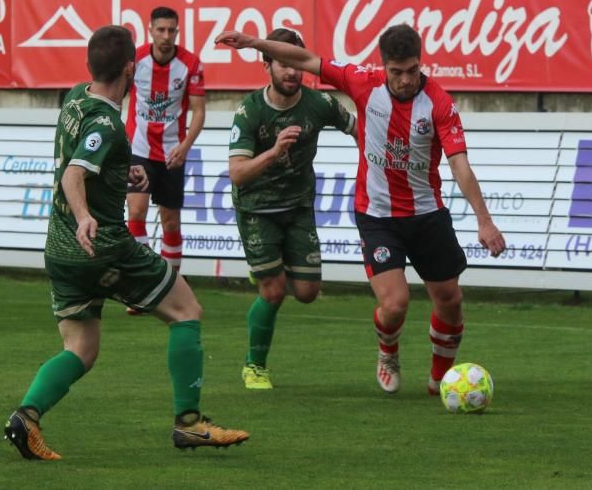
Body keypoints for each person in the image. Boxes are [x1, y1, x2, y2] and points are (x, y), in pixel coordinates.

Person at [215, 24, 507, 396]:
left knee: (451, 300)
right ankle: (388, 353)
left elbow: (459, 164)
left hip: (427, 214)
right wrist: (254, 42)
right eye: (396, 72)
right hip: (377, 215)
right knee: (395, 303)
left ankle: (441, 381)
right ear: (383, 66)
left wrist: (484, 221)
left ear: (421, 64)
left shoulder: (439, 104)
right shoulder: (362, 82)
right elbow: (305, 59)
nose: (404, 80)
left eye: (412, 71)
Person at [3, 25, 248, 461]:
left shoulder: (77, 96)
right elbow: (73, 173)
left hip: (58, 251)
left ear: (90, 66)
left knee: (81, 348)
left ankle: (27, 417)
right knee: (186, 310)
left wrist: (124, 174)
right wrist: (84, 217)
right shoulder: (107, 123)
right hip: (102, 246)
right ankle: (190, 424)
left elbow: (84, 161)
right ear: (132, 69)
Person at [228, 28, 356, 390]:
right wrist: (273, 152)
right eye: (283, 64)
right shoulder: (249, 111)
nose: (291, 72)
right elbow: (237, 174)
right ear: (266, 63)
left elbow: (358, 129)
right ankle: (254, 366)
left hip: (298, 206)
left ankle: (267, 272)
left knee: (306, 293)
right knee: (273, 292)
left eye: (296, 64)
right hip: (257, 209)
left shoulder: (319, 104)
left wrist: (380, 161)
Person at [125, 7, 205, 302]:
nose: (166, 36)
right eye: (161, 30)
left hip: (173, 152)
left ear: (177, 32)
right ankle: (141, 287)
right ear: (150, 30)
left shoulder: (191, 64)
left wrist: (185, 147)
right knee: (135, 213)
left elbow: (199, 112)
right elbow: (116, 93)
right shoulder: (135, 60)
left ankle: (169, 290)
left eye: (172, 30)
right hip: (139, 149)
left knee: (170, 221)